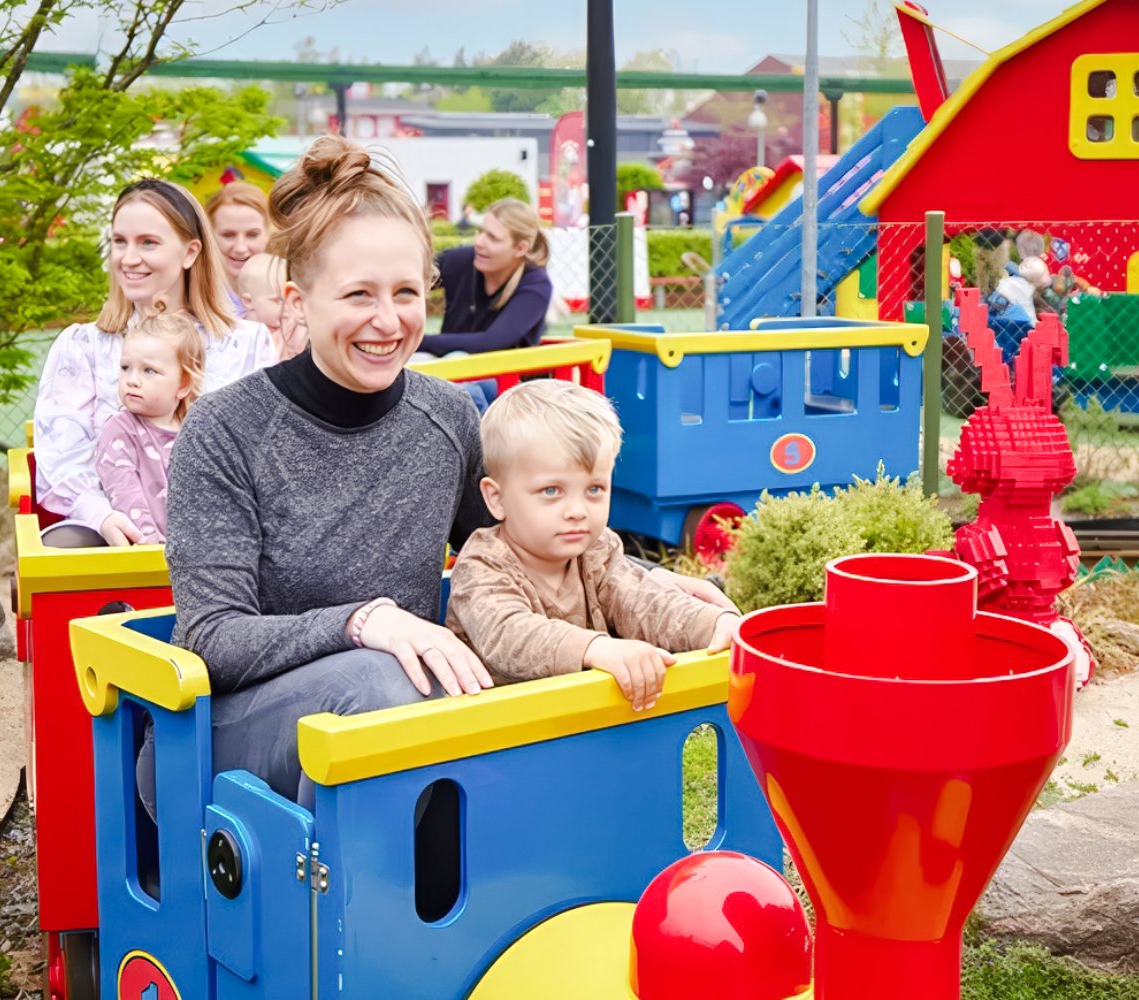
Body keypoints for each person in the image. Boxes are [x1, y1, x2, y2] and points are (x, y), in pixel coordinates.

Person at [160, 136, 735, 805]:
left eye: (406, 292)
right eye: (357, 295)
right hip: (240, 728)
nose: (387, 320)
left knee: (433, 688)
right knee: (386, 683)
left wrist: (662, 589)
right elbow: (211, 636)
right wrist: (363, 620)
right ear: (297, 303)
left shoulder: (446, 416)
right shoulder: (225, 430)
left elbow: (522, 548)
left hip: (405, 714)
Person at [445, 380, 740, 711]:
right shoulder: (482, 564)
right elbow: (508, 634)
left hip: (580, 725)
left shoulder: (597, 550)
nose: (577, 511)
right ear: (496, 499)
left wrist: (713, 623)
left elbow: (646, 602)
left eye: (595, 489)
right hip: (497, 736)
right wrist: (596, 648)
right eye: (552, 491)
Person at [33, 178, 275, 546]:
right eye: (120, 242)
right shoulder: (84, 345)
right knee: (66, 546)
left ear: (190, 252)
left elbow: (263, 454)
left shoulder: (245, 343)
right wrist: (105, 516)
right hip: (110, 531)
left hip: (222, 532)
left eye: (148, 242)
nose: (129, 258)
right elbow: (62, 459)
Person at [94, 311, 205, 546]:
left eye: (149, 371)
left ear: (183, 384)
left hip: (195, 554)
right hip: (145, 552)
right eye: (125, 367)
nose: (132, 380)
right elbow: (124, 491)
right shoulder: (120, 430)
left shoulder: (198, 431)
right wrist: (150, 544)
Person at [418, 198, 553, 357]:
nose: (479, 242)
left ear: (520, 248)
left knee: (456, 358)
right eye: (480, 231)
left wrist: (417, 342)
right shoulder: (462, 260)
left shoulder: (535, 285)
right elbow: (407, 280)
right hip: (451, 368)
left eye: (493, 238)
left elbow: (491, 342)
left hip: (505, 377)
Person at [206, 181, 272, 314]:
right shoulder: (194, 299)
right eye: (228, 235)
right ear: (209, 236)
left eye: (252, 235)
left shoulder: (288, 294)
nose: (240, 248)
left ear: (268, 235)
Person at [237, 252, 305, 361]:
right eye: (278, 300)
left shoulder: (290, 329)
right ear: (248, 302)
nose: (287, 307)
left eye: (289, 300)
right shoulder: (235, 335)